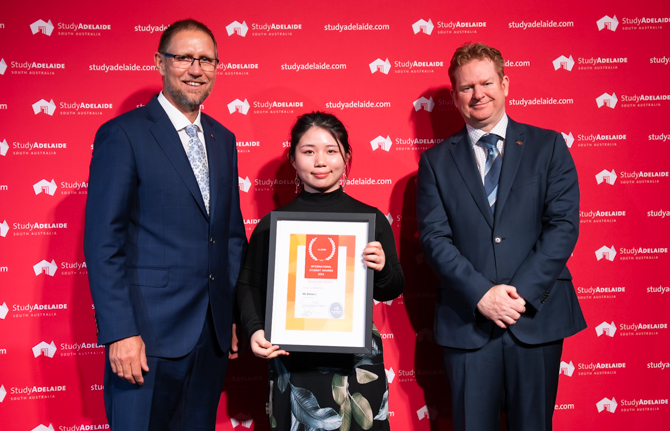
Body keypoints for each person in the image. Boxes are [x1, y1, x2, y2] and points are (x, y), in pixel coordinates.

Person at [84, 19, 247, 431]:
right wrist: (120, 332)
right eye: (184, 58)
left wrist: (230, 316)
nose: (196, 69)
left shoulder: (224, 139)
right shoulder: (123, 134)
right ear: (160, 62)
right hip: (145, 338)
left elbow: (230, 236)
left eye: (206, 60)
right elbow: (104, 242)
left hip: (210, 337)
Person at [416, 42, 586, 431]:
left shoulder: (548, 146)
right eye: (466, 87)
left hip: (535, 316)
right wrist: (482, 295)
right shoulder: (435, 162)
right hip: (468, 321)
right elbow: (435, 240)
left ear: (505, 84)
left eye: (486, 83)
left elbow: (563, 225)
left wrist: (518, 295)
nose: (478, 94)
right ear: (456, 96)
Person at [236, 112, 404, 431]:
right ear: (293, 159)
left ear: (347, 156)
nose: (320, 161)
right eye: (308, 151)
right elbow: (249, 284)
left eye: (331, 150)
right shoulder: (273, 225)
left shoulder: (371, 220)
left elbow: (392, 287)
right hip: (293, 360)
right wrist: (256, 329)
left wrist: (382, 268)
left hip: (356, 363)